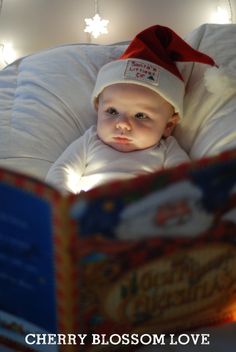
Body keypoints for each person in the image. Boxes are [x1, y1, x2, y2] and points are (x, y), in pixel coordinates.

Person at [46, 24, 217, 194]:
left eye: (141, 115)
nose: (122, 124)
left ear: (168, 125)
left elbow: (187, 182)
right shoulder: (90, 141)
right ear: (98, 109)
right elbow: (61, 171)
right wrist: (67, 202)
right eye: (112, 111)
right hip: (91, 214)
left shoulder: (166, 151)